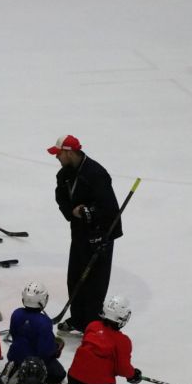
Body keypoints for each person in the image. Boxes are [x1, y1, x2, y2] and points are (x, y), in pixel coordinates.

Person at [50, 135, 122, 334]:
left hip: (101, 234)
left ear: (69, 152)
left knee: (95, 281)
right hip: (80, 232)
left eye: (59, 154)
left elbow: (109, 208)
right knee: (75, 276)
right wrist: (72, 212)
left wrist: (88, 213)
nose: (56, 157)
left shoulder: (96, 174)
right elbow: (61, 198)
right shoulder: (64, 174)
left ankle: (91, 323)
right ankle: (78, 318)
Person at [63, 295, 142, 384]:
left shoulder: (92, 326)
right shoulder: (123, 341)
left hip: (73, 376)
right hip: (97, 382)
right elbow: (123, 369)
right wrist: (132, 375)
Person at [1, 282, 66, 384]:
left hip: (14, 355)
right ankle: (27, 379)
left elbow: (14, 333)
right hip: (33, 361)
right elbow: (45, 351)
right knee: (60, 374)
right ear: (43, 300)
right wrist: (56, 348)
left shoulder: (16, 313)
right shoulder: (44, 322)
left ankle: (15, 368)